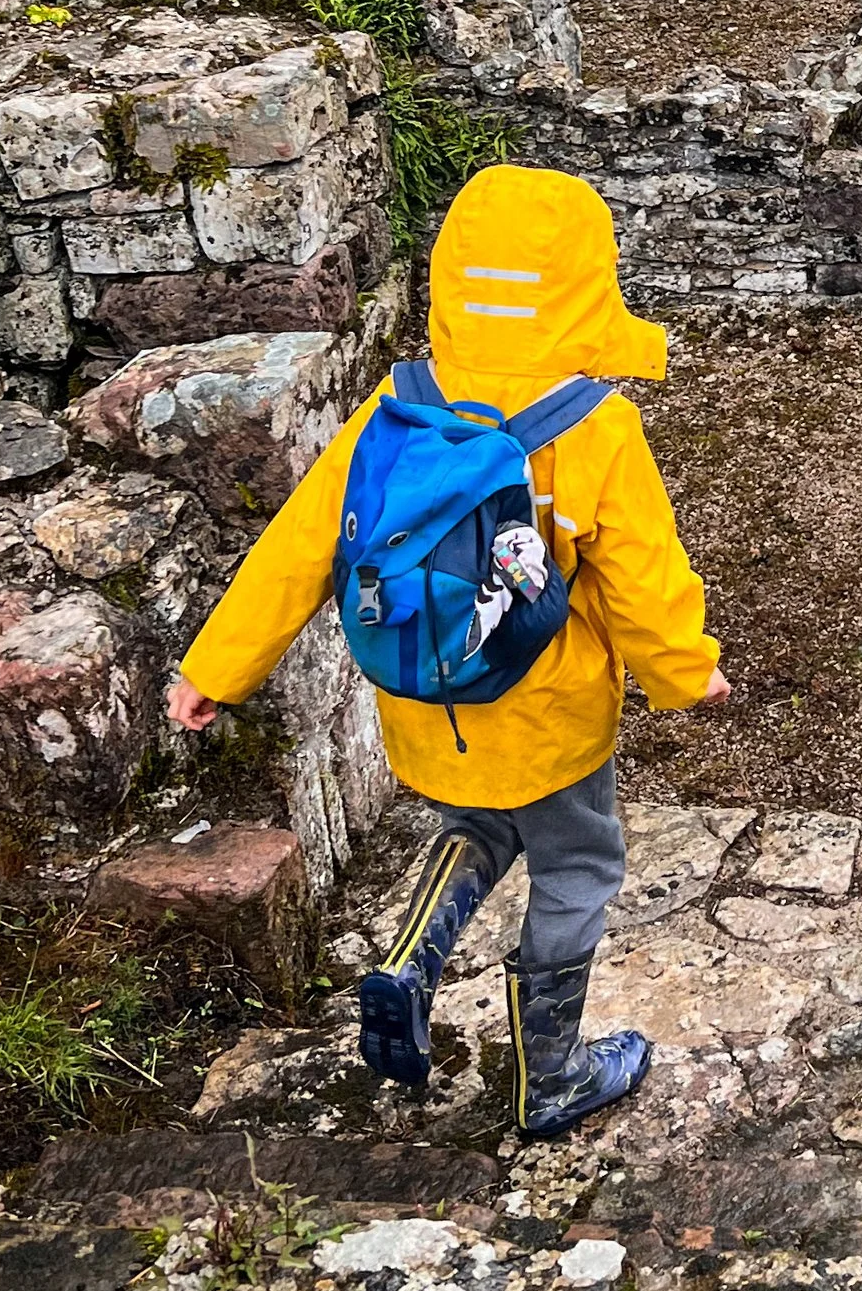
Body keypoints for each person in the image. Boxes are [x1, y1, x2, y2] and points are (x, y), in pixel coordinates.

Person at [163, 165, 727, 1138]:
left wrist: (218, 667)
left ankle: (409, 961)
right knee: (577, 866)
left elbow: (303, 542)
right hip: (549, 718)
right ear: (586, 279)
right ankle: (548, 1076)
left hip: (426, 705)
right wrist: (685, 668)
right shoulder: (596, 425)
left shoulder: (397, 406)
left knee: (478, 822)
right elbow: (642, 576)